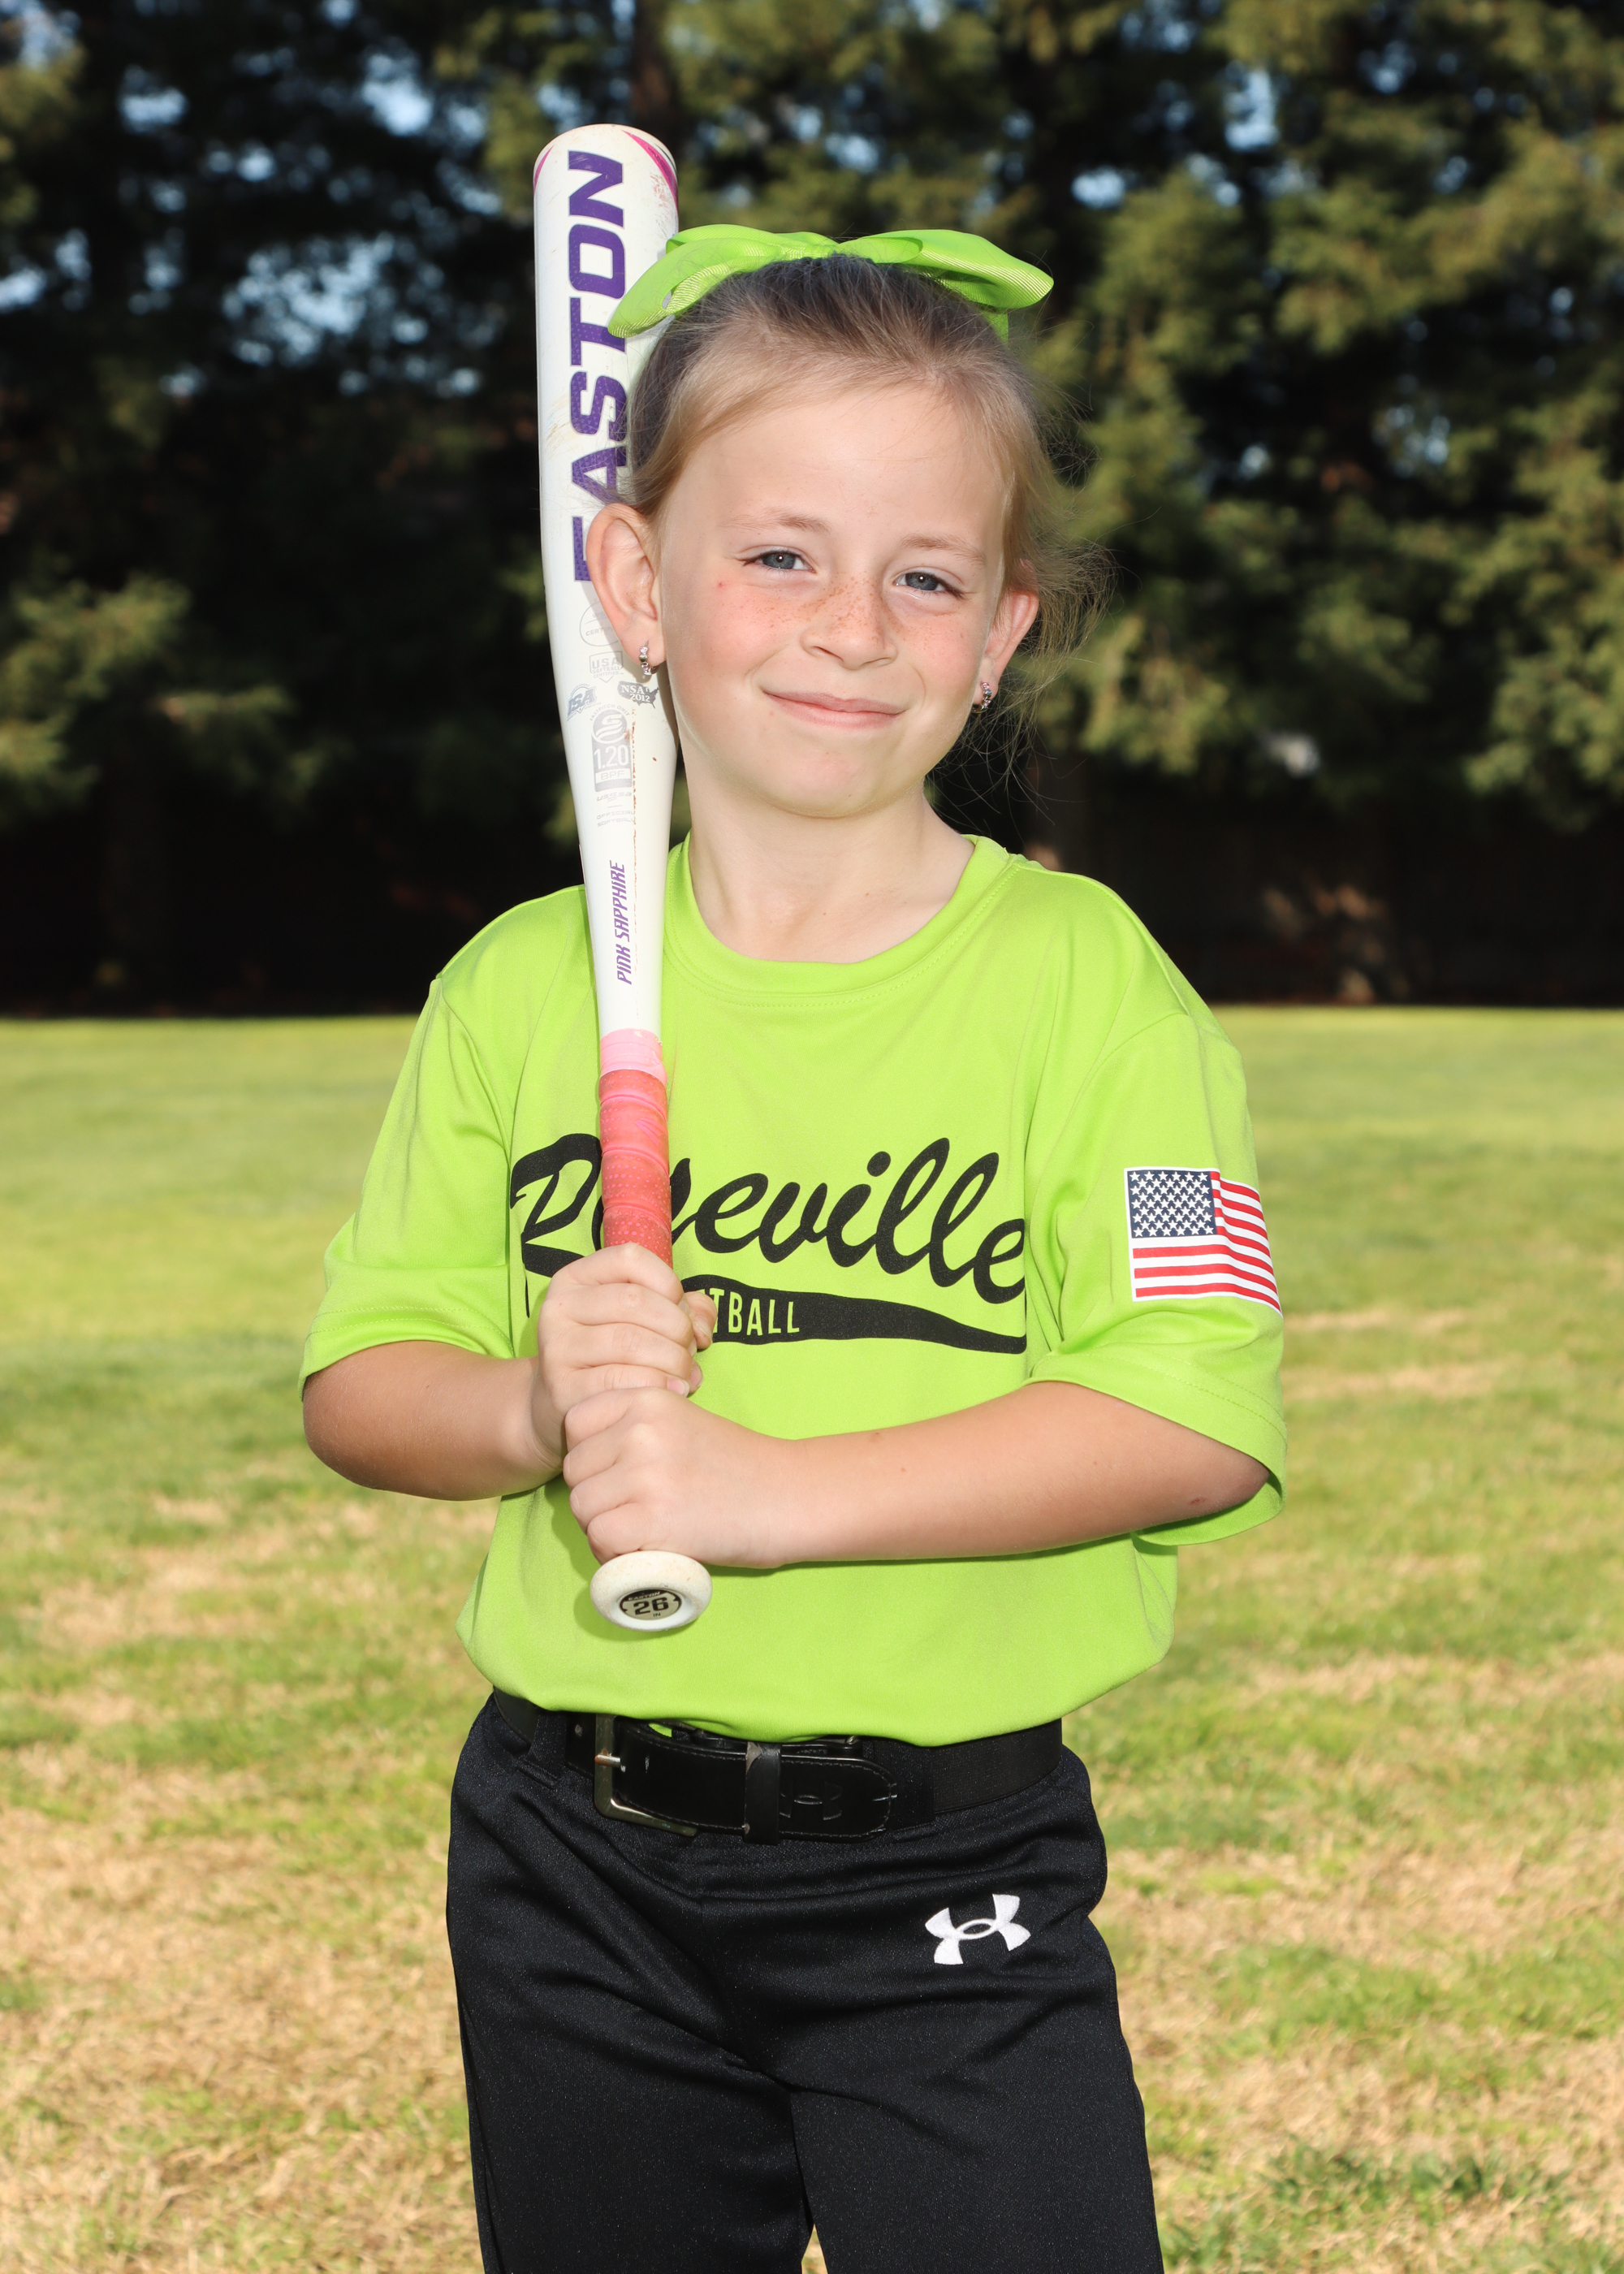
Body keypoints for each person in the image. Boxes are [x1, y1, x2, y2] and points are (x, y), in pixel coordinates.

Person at [300, 226, 1285, 2274]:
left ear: (999, 632)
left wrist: (770, 1492)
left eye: (924, 575)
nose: (852, 626)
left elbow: (1188, 1413)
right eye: (778, 555)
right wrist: (528, 1405)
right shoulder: (515, 987)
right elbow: (363, 1382)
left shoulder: (1095, 986)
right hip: (571, 1855)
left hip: (949, 1858)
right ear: (635, 583)